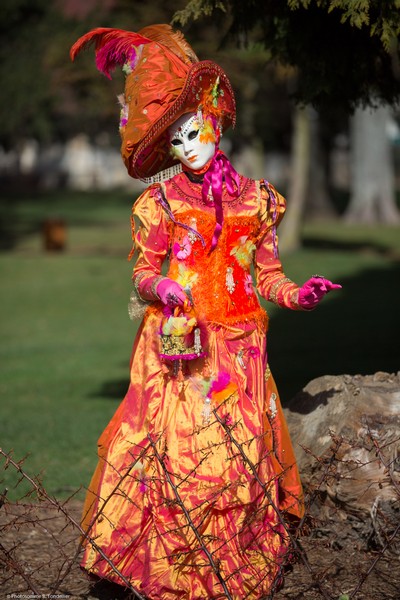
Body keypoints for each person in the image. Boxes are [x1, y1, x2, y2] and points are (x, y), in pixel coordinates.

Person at [71, 25, 341, 600]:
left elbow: (266, 275)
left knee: (240, 461)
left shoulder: (259, 200)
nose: (188, 147)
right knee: (185, 457)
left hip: (241, 350)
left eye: (195, 134)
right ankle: (173, 574)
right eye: (177, 141)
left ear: (215, 121)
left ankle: (229, 573)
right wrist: (161, 288)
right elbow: (143, 274)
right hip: (180, 350)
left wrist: (300, 295)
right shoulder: (162, 202)